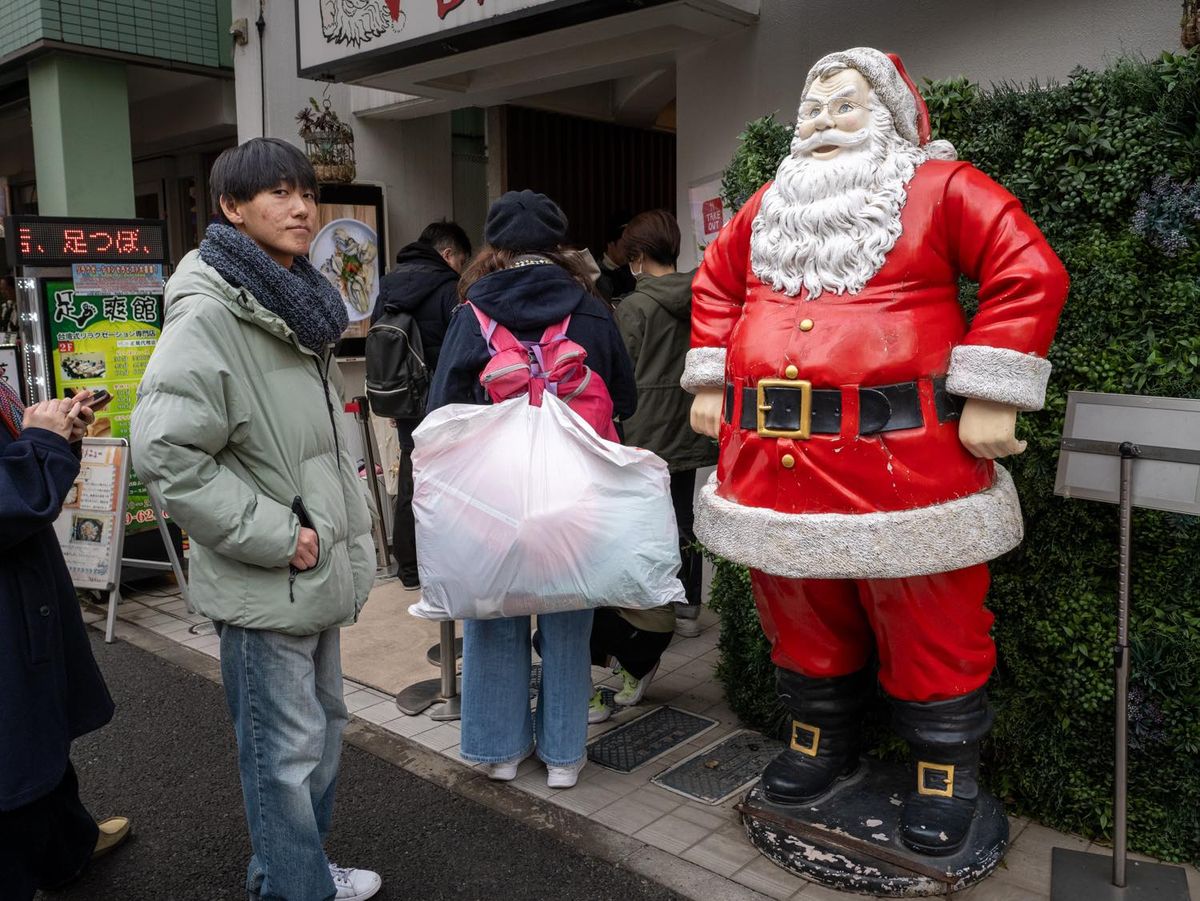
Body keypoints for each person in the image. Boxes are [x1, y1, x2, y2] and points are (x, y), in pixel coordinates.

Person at [683, 48, 1068, 856]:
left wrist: (993, 390)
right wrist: (712, 376)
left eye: (844, 106)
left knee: (930, 614)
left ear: (889, 119)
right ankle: (817, 741)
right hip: (770, 467)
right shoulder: (768, 206)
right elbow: (716, 285)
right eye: (812, 110)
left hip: (904, 465)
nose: (822, 121)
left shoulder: (941, 190)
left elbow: (1026, 267)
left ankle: (944, 771)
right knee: (795, 607)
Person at [130, 137, 381, 901]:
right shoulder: (212, 311)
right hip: (269, 573)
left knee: (320, 740)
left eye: (305, 190)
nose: (301, 206)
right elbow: (166, 452)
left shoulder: (293, 300)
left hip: (310, 572)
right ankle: (294, 888)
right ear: (232, 208)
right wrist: (281, 535)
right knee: (284, 754)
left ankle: (294, 870)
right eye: (277, 192)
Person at [428, 189, 636, 789]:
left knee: (494, 610)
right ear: (557, 243)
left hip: (494, 493)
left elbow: (442, 408)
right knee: (570, 612)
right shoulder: (591, 308)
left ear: (495, 246)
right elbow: (625, 400)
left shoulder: (472, 313)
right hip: (575, 492)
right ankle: (565, 756)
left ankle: (499, 750)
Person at [1, 386, 130, 900]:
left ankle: (66, 848)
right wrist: (40, 444)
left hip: (25, 584)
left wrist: (57, 437)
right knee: (15, 752)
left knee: (37, 726)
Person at [377, 220, 472, 589]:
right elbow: (460, 346)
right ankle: (443, 564)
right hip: (443, 399)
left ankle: (409, 568)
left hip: (403, 399)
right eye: (461, 259)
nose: (462, 267)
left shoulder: (389, 284)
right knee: (449, 482)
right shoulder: (450, 288)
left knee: (410, 477)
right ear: (447, 254)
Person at [595, 210, 635, 302]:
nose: (630, 250)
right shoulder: (596, 276)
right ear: (611, 243)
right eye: (626, 245)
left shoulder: (635, 273)